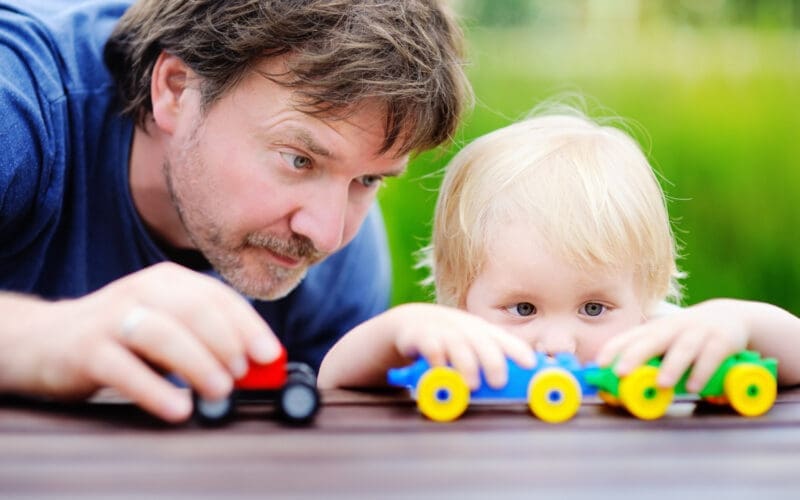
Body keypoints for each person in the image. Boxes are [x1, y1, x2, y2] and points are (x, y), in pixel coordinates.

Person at [0, 0, 471, 422]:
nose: (326, 235)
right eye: (298, 160)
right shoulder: (19, 101)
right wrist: (45, 338)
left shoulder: (344, 253)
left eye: (368, 180)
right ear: (177, 89)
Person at [318, 110, 800, 393]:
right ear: (458, 295)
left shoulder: (659, 344)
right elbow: (332, 378)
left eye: (594, 308)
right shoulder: (459, 350)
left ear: (647, 295)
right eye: (523, 308)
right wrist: (397, 332)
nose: (557, 343)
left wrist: (742, 323)